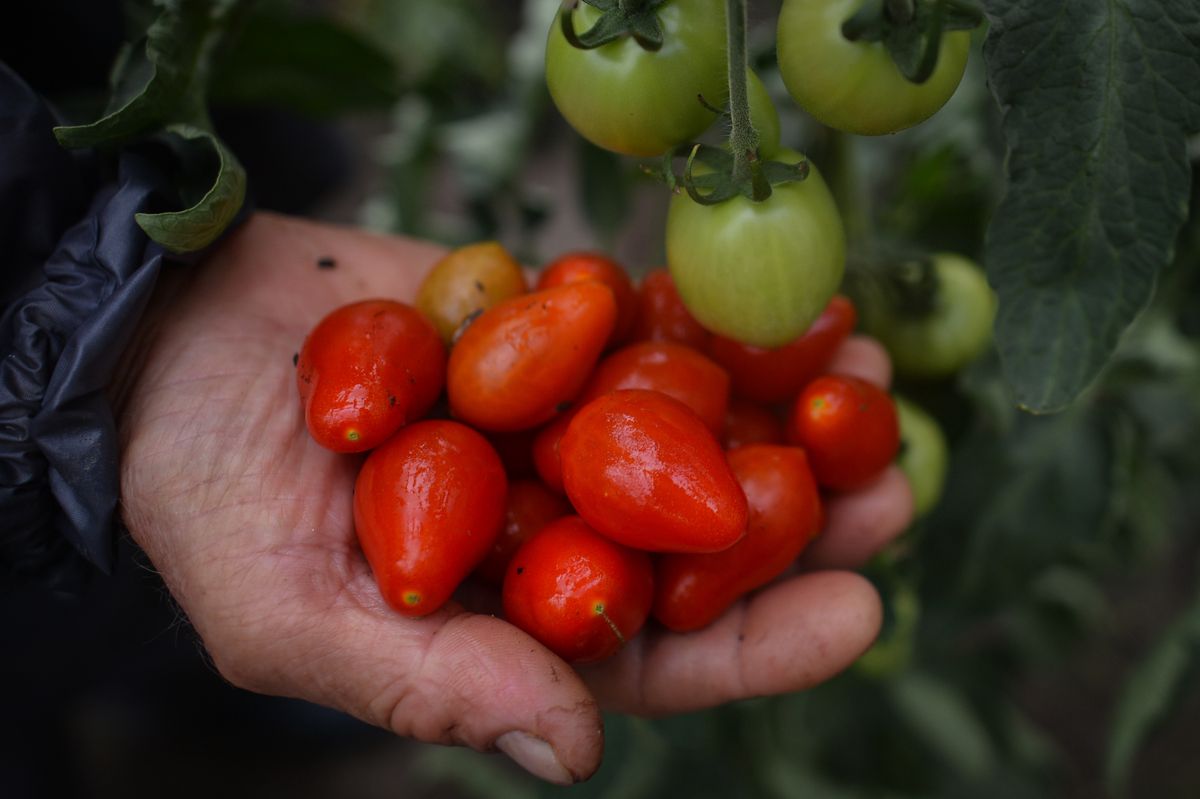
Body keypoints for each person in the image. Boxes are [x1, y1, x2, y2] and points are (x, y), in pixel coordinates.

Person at [2, 66, 914, 786]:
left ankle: (168, 686)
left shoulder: (619, 426)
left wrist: (128, 317)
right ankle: (145, 691)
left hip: (76, 163)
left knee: (122, 584)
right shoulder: (535, 422)